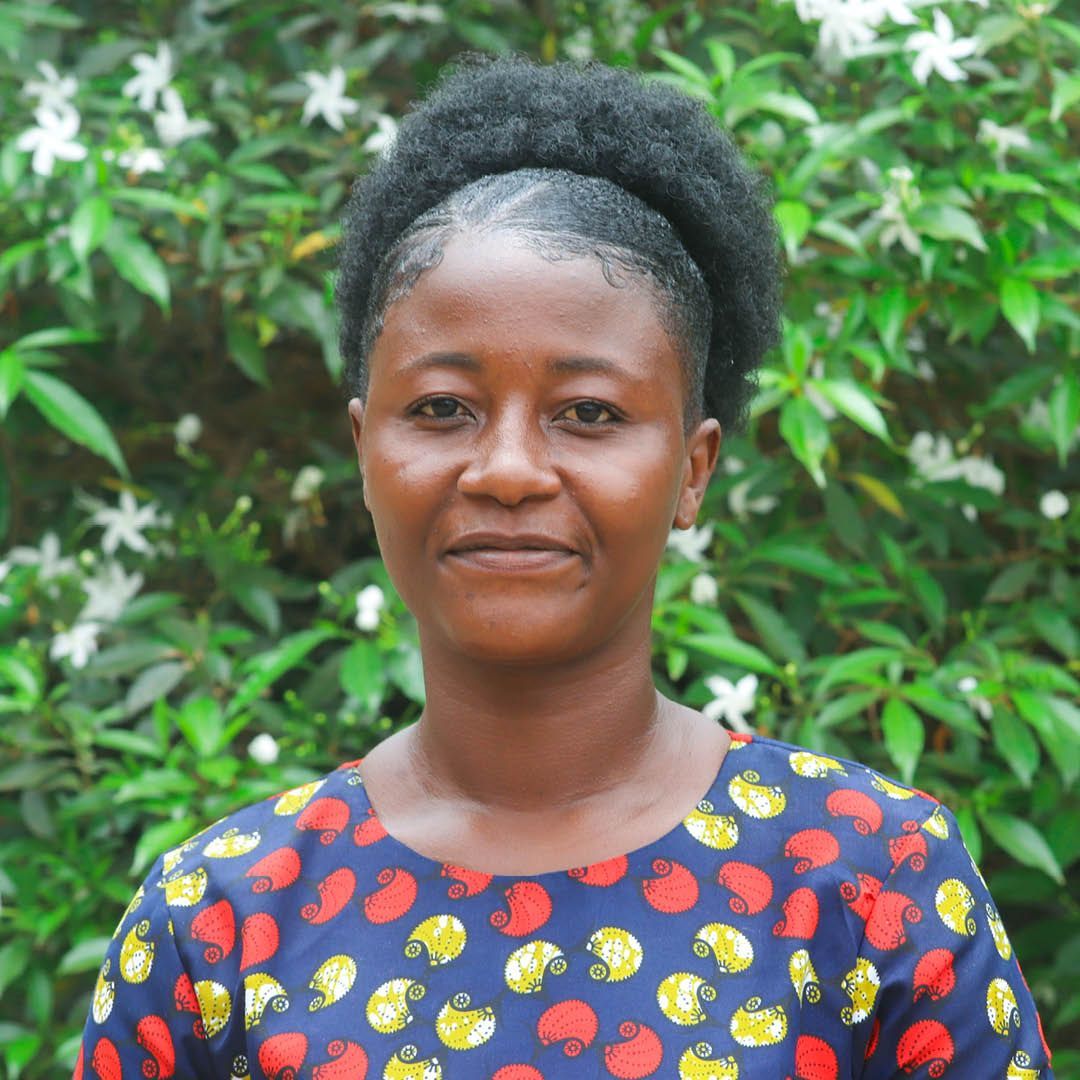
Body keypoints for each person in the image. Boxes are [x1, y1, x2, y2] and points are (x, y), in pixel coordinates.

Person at [74, 53, 1053, 1080]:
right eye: (442, 407)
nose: (505, 470)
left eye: (589, 413)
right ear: (366, 453)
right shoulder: (216, 925)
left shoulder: (870, 877)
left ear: (692, 470)